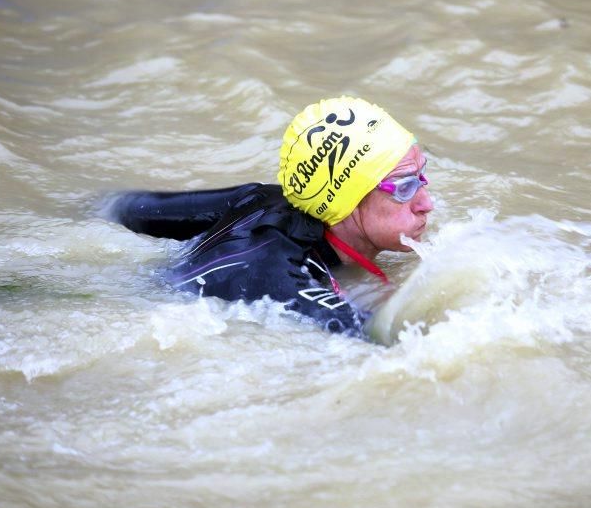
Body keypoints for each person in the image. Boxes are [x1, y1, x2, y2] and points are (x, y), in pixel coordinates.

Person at [106, 96, 433, 337]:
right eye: (404, 187)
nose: (426, 203)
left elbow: (126, 208)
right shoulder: (277, 273)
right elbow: (381, 342)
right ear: (345, 201)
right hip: (137, 304)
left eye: (421, 176)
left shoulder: (265, 200)